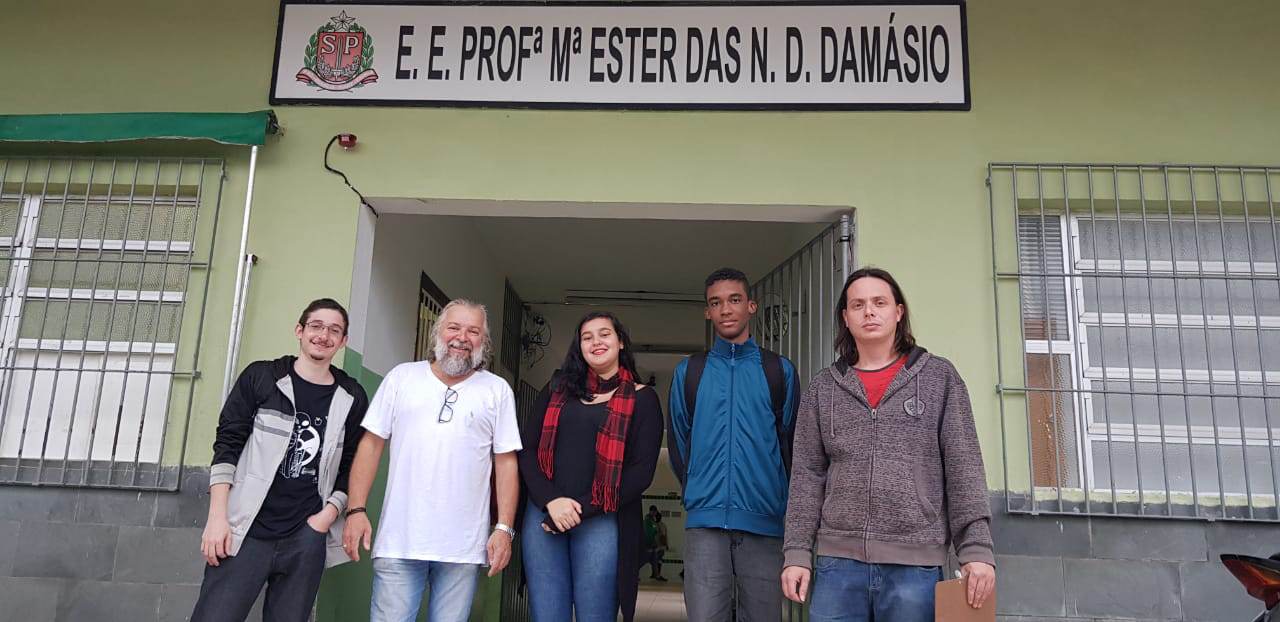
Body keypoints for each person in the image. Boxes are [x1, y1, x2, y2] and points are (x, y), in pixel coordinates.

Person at [781, 267, 996, 622]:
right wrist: (797, 553)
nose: (869, 312)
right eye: (858, 305)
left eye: (879, 302)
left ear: (898, 312)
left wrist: (975, 548)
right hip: (838, 565)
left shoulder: (939, 378)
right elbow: (807, 476)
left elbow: (964, 466)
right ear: (845, 318)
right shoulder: (823, 388)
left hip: (915, 567)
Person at [342, 299, 521, 622]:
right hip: (399, 540)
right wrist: (356, 510)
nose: (462, 337)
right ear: (437, 332)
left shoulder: (497, 391)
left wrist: (504, 528)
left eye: (473, 331)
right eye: (454, 327)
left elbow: (506, 462)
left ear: (484, 341)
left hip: (463, 548)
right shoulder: (401, 378)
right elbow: (370, 446)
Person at [192, 298, 369, 622]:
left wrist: (325, 518)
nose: (323, 336)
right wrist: (218, 518)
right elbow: (227, 445)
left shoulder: (351, 396)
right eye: (316, 326)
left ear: (343, 341)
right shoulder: (262, 377)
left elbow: (352, 464)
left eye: (334, 330)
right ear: (299, 331)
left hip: (305, 537)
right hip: (245, 529)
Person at [668, 267, 800, 622]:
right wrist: (700, 486)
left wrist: (771, 492)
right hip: (705, 523)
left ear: (751, 306)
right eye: (716, 302)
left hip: (763, 522)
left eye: (734, 300)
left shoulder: (778, 372)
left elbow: (789, 443)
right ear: (707, 312)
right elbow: (680, 445)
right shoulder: (689, 372)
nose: (726, 309)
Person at [518, 311, 664, 622]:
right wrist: (552, 502)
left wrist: (578, 510)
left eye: (604, 334)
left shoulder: (643, 399)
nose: (596, 341)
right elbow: (527, 450)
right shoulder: (557, 388)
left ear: (620, 342)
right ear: (579, 346)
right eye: (587, 337)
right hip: (544, 514)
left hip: (602, 517)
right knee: (546, 615)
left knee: (596, 615)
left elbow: (640, 473)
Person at [643, 506, 668, 581]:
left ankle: (656, 575)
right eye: (654, 512)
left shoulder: (652, 521)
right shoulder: (648, 520)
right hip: (652, 544)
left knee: (655, 560)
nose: (655, 514)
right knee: (651, 559)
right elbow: (661, 535)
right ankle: (656, 574)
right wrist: (665, 544)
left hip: (654, 545)